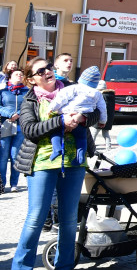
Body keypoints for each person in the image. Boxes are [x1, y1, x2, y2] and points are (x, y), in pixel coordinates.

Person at [12, 57, 101, 270]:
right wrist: (61, 121)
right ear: (31, 80)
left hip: (74, 162)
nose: (47, 72)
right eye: (40, 71)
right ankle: (21, 266)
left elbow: (96, 111)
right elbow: (30, 130)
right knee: (36, 218)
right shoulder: (31, 99)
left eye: (48, 67)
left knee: (70, 219)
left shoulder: (74, 89)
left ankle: (64, 265)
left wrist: (80, 118)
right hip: (42, 163)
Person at [46, 64, 106, 165]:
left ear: (81, 79)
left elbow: (61, 99)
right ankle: (80, 157)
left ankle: (57, 149)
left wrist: (51, 108)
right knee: (81, 139)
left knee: (56, 132)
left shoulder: (73, 88)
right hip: (81, 122)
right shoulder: (97, 93)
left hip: (66, 114)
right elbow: (102, 109)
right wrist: (102, 121)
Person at [1, 68, 28, 192]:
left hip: (20, 126)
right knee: (3, 155)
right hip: (6, 125)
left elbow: (29, 106)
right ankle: (1, 183)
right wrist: (10, 113)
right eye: (16, 74)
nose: (19, 76)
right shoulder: (3, 92)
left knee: (15, 155)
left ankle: (14, 184)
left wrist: (18, 114)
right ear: (10, 77)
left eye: (21, 75)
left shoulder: (27, 92)